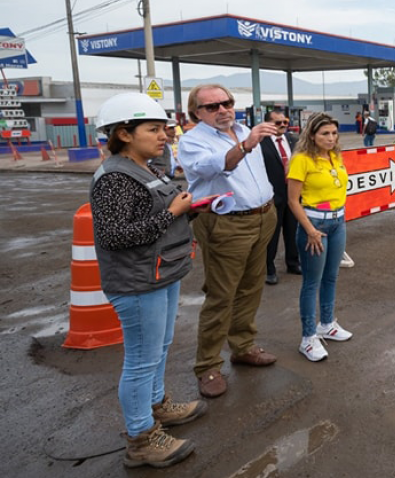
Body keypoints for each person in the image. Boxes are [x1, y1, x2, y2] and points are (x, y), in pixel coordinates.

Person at [90, 93, 208, 468]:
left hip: (161, 272)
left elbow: (160, 217)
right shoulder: (115, 178)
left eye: (165, 129)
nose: (164, 136)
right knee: (141, 359)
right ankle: (141, 438)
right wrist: (174, 211)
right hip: (138, 282)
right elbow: (114, 236)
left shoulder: (148, 167)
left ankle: (157, 405)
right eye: (153, 129)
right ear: (124, 133)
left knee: (160, 346)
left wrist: (187, 211)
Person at [178, 84, 279, 399]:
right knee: (222, 295)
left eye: (227, 103)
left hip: (263, 216)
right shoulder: (194, 141)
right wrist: (247, 144)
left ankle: (243, 346)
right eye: (212, 107)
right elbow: (219, 164)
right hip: (226, 223)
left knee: (251, 286)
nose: (222, 110)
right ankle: (207, 365)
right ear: (197, 112)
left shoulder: (245, 129)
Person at [286, 113, 354, 361]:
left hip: (338, 221)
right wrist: (310, 230)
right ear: (312, 135)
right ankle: (308, 338)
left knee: (331, 277)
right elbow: (293, 201)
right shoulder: (302, 160)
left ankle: (327, 324)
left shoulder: (335, 156)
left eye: (334, 133)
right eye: (325, 133)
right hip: (313, 224)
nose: (331, 138)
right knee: (311, 282)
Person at [258, 110, 301, 285]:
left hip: (293, 194)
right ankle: (269, 269)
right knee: (272, 235)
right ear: (268, 124)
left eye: (285, 122)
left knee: (293, 232)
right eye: (278, 123)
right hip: (272, 196)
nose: (283, 125)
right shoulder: (260, 143)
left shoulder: (293, 140)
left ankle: (293, 263)